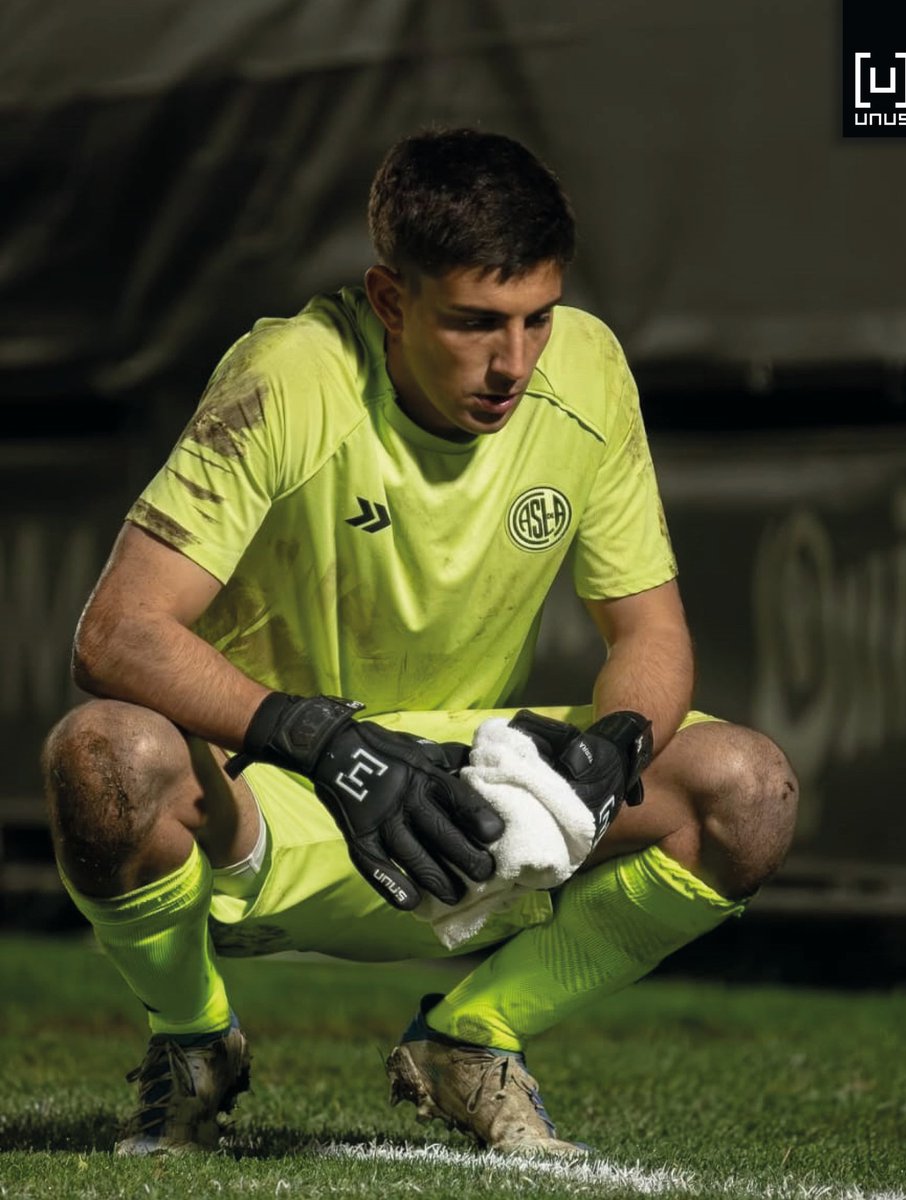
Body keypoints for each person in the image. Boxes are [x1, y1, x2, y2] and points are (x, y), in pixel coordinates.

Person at [42, 127, 798, 1158]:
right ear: (390, 300)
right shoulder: (290, 374)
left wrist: (622, 737)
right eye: (477, 323)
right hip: (270, 794)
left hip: (465, 808)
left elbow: (651, 630)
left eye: (539, 317)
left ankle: (473, 1042)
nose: (515, 363)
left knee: (747, 789)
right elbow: (116, 632)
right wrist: (323, 742)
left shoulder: (589, 372)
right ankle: (191, 1042)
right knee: (104, 758)